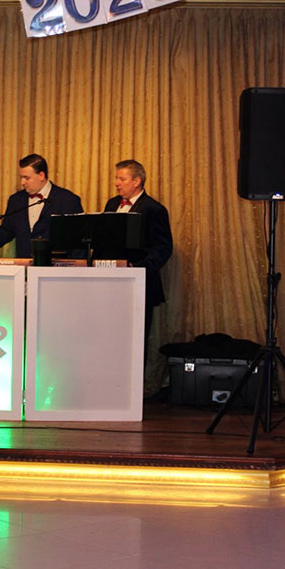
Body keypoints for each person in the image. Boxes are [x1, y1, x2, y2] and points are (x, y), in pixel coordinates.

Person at [102, 159, 173, 397]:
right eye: (116, 178)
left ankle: (130, 393)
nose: (117, 183)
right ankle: (108, 387)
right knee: (110, 337)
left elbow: (163, 247)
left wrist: (139, 269)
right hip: (110, 285)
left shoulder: (154, 209)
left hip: (139, 284)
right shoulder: (112, 204)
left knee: (135, 339)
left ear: (137, 181)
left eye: (121, 179)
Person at [0, 154, 83, 259]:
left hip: (56, 270)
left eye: (26, 178)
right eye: (21, 177)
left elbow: (78, 240)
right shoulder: (16, 200)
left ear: (41, 176)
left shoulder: (68, 200)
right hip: (23, 268)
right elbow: (6, 231)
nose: (22, 182)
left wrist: (78, 269)